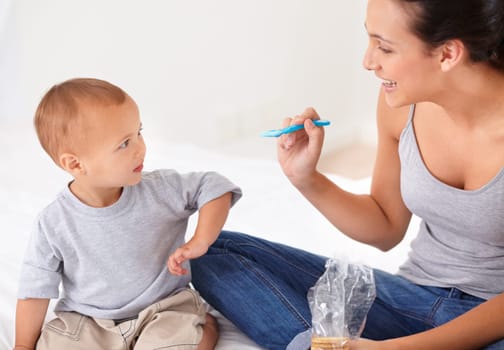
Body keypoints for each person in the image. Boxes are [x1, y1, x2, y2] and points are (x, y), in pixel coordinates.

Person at [190, 0, 504, 349]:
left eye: (384, 47)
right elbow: (385, 226)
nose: (368, 61)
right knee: (209, 250)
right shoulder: (399, 107)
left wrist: (391, 349)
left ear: (447, 53)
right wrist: (306, 177)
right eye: (369, 41)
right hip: (408, 298)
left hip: (493, 321)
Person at [13, 78, 242, 350]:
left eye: (139, 133)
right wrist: (23, 346)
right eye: (124, 144)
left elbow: (215, 186)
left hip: (164, 309)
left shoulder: (159, 189)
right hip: (89, 321)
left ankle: (204, 329)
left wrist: (201, 239)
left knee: (176, 337)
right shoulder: (53, 223)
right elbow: (34, 289)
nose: (140, 148)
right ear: (75, 163)